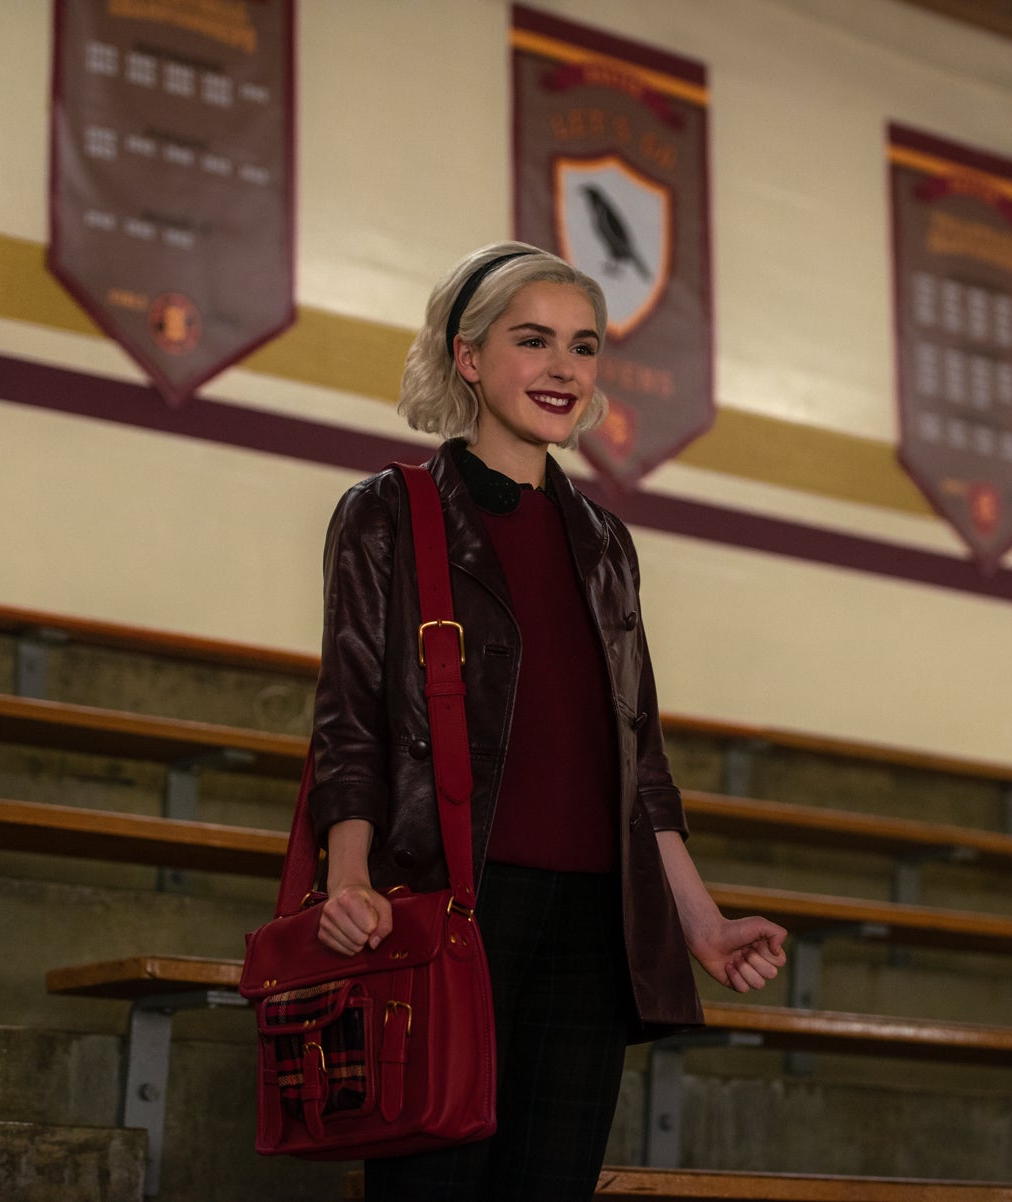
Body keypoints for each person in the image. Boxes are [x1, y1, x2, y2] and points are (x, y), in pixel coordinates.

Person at [308, 241, 788, 1201]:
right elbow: (353, 716)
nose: (565, 368)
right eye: (534, 341)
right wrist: (349, 880)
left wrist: (701, 922)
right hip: (454, 908)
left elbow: (638, 761)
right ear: (470, 357)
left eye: (584, 345)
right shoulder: (387, 514)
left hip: (593, 925)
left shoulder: (607, 541)